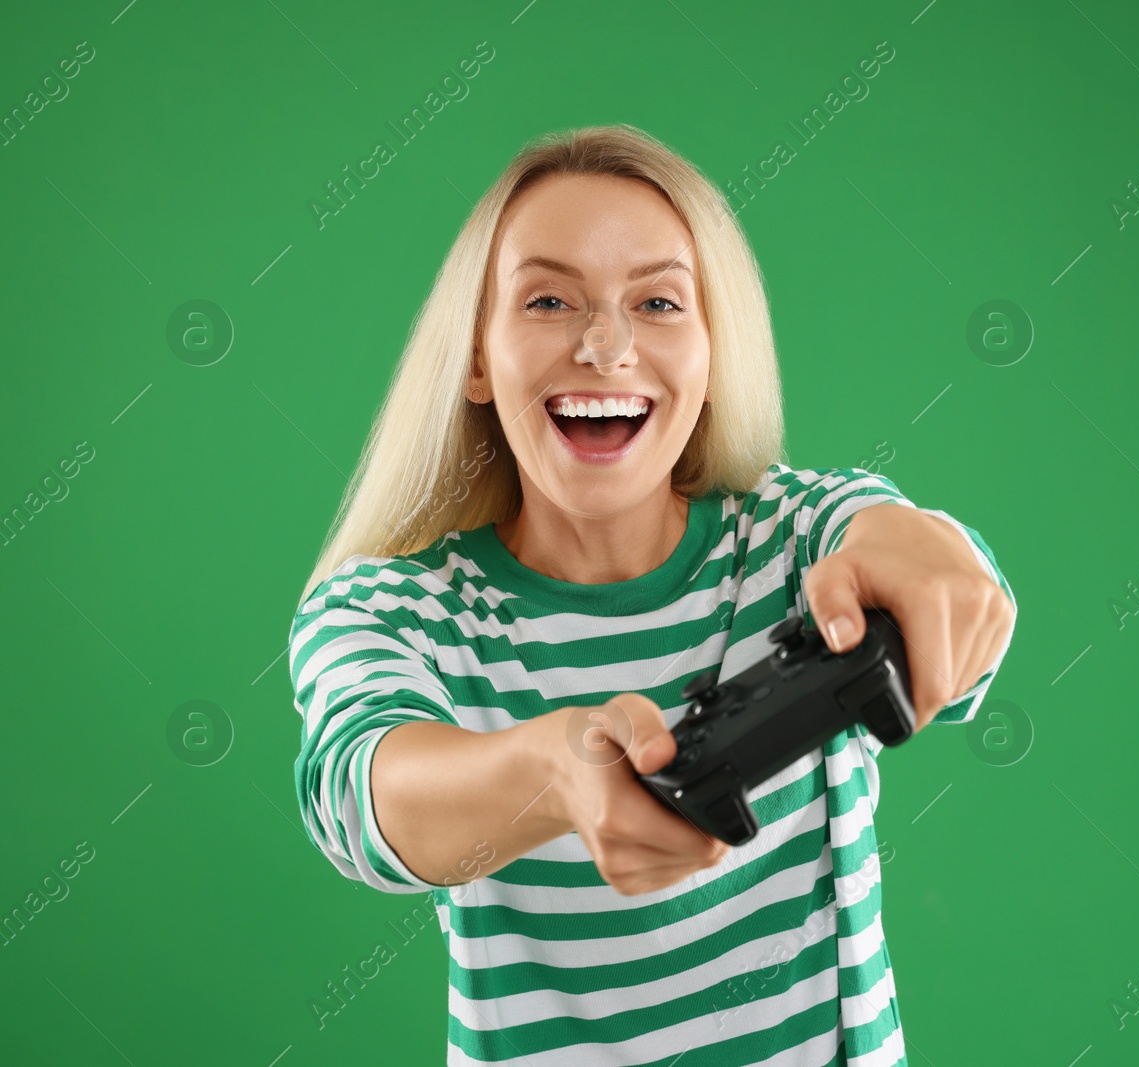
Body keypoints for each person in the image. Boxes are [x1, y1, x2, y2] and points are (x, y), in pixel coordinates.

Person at [289, 124, 1017, 1066]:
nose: (605, 346)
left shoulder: (798, 535)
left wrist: (930, 559)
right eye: (549, 299)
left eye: (660, 302)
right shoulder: (388, 611)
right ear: (476, 357)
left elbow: (937, 571)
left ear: (713, 354)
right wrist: (553, 769)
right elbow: (358, 792)